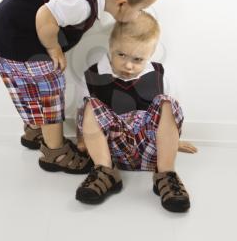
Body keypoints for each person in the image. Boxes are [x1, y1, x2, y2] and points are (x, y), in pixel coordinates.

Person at [0, 0, 164, 174]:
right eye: (140, 9)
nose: (139, 14)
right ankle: (55, 152)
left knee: (28, 88)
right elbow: (45, 15)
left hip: (2, 36)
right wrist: (53, 47)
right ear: (122, 3)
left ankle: (35, 129)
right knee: (50, 90)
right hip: (20, 40)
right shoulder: (82, 4)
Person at [75, 11, 197, 212]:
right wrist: (82, 140)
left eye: (138, 59)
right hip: (111, 151)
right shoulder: (92, 74)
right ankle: (105, 171)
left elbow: (170, 118)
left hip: (150, 150)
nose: (129, 65)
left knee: (166, 102)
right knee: (90, 103)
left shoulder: (161, 75)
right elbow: (83, 115)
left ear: (151, 53)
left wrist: (173, 142)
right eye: (121, 55)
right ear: (111, 46)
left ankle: (165, 174)